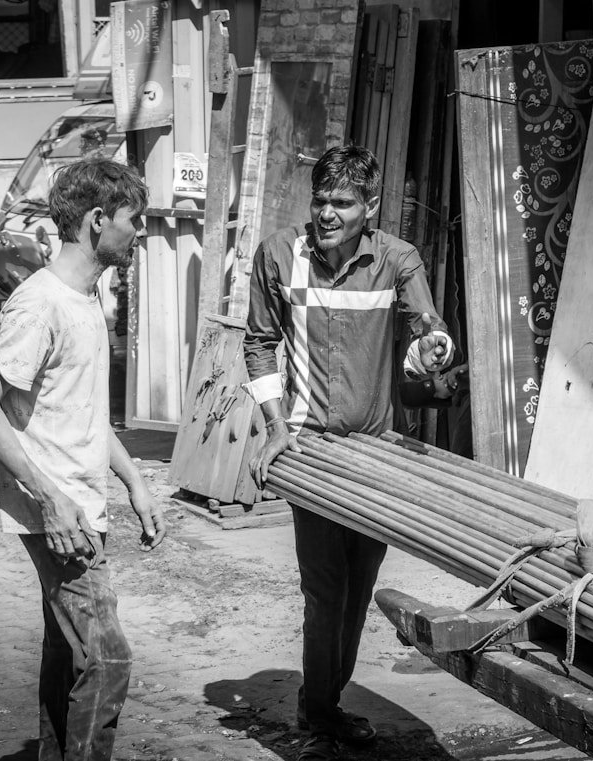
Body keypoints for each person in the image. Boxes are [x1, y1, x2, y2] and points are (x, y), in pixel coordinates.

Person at [242, 144, 453, 761]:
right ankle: (321, 708)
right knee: (325, 587)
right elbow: (258, 345)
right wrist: (275, 426)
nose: (328, 213)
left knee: (361, 585)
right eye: (321, 200)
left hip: (376, 454)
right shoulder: (279, 254)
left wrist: (433, 348)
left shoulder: (397, 260)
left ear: (371, 206)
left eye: (343, 202)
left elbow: (427, 328)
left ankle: (326, 699)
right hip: (312, 453)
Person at [0, 157, 166, 761]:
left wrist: (135, 482)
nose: (142, 232)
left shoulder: (86, 298)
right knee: (108, 659)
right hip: (60, 512)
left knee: (68, 652)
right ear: (99, 220)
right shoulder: (41, 304)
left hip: (80, 502)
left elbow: (82, 414)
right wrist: (49, 499)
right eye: (136, 219)